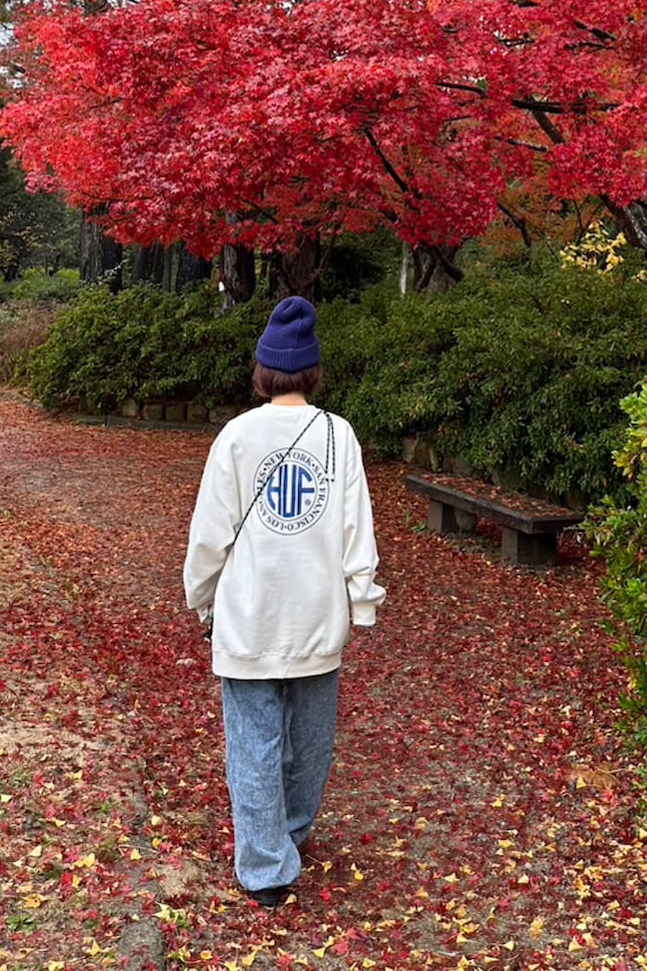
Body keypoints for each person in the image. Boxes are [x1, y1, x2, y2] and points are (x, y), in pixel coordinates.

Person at [183, 295, 385, 908]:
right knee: (311, 740)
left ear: (264, 370)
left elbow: (210, 532)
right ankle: (289, 832)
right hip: (317, 617)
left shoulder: (237, 437)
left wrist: (200, 597)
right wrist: (362, 601)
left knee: (253, 740)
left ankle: (267, 863)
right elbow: (357, 529)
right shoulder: (337, 436)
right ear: (313, 370)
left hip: (248, 617)